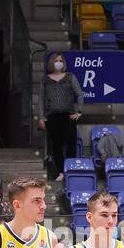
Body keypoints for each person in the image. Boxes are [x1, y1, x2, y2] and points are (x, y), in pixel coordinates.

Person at [39, 52, 83, 183]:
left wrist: (79, 111)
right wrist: (41, 117)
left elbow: (79, 94)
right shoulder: (45, 79)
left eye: (61, 61)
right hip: (52, 117)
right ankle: (60, 172)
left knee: (71, 144)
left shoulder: (70, 77)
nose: (59, 63)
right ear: (51, 63)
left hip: (68, 116)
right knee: (56, 146)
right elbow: (41, 99)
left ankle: (70, 171)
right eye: (56, 60)